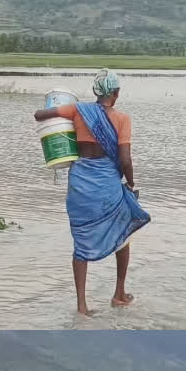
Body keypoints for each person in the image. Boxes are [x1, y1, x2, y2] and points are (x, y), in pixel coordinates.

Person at [34, 69, 150, 317]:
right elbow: (125, 158)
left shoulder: (78, 110)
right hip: (106, 183)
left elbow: (39, 115)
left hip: (80, 184)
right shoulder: (122, 119)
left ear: (97, 92)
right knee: (124, 229)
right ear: (116, 93)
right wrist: (130, 182)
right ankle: (119, 293)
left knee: (81, 238)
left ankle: (82, 306)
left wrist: (61, 111)